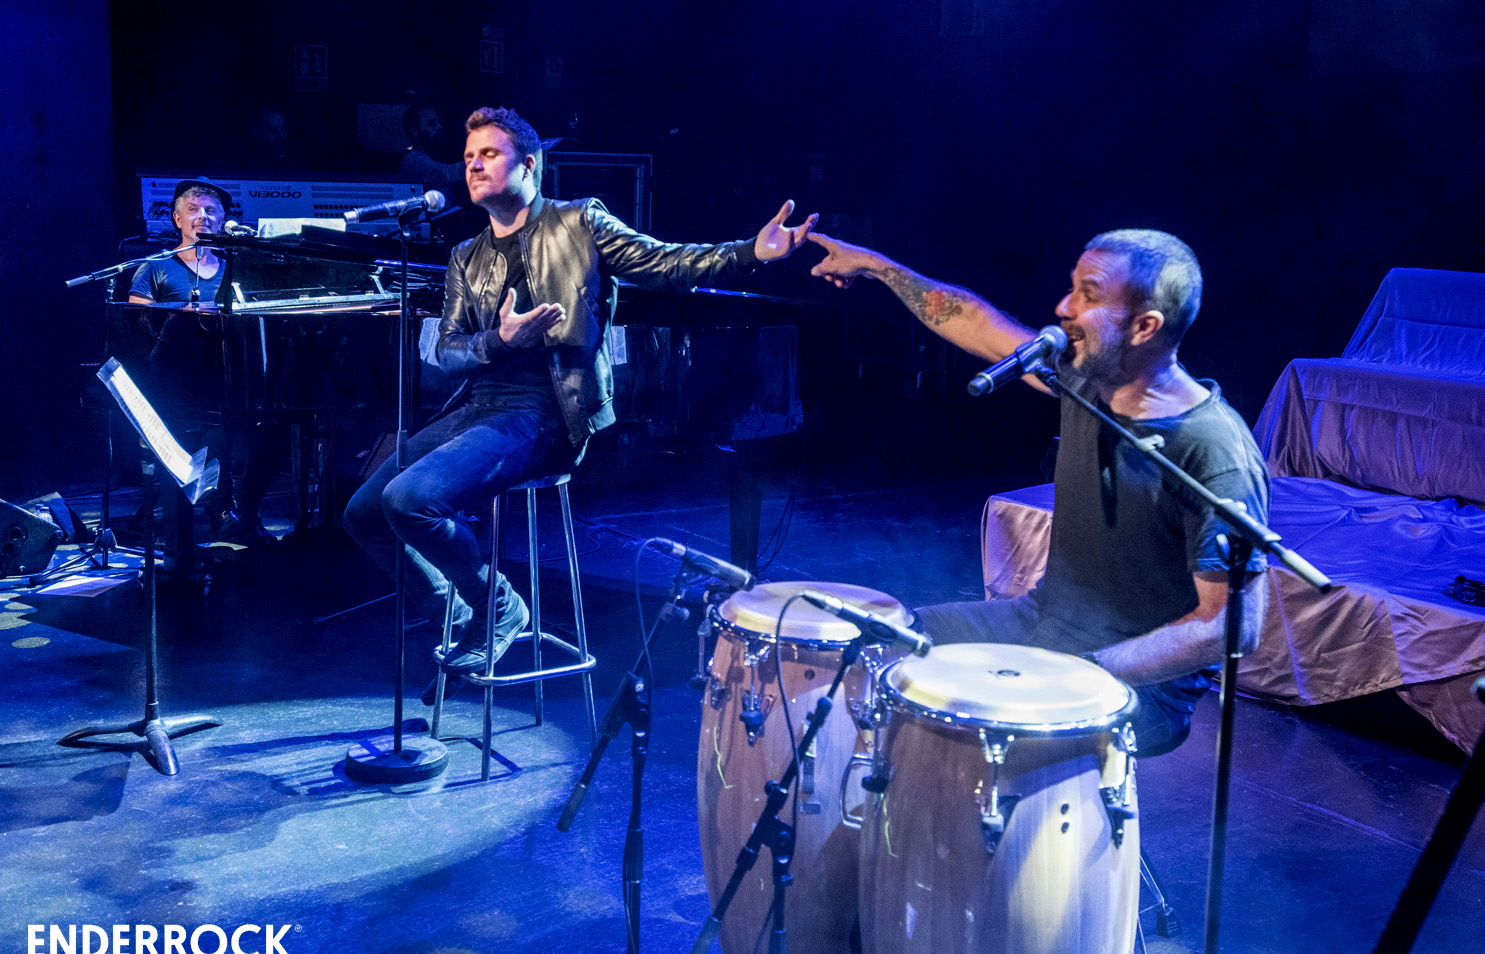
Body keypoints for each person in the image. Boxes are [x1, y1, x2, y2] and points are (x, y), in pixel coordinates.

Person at [344, 105, 818, 698]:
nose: (473, 166)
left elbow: (666, 263)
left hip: (549, 410)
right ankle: (458, 613)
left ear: (530, 164)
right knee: (364, 513)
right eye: (467, 158)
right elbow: (448, 349)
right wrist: (500, 340)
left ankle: (497, 606)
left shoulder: (579, 221)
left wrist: (750, 251)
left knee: (409, 499)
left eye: (488, 154)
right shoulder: (466, 255)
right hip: (477, 406)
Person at [807, 228, 1268, 755]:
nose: (1063, 307)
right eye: (1072, 288)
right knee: (885, 646)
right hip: (1042, 621)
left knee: (977, 729)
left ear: (1145, 326)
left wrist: (1082, 672)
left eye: (1088, 296)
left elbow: (1231, 625)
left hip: (1141, 683)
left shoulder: (1215, 451)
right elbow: (976, 322)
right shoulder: (1088, 376)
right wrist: (876, 265)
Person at [128, 179, 279, 546]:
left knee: (274, 425)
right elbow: (134, 324)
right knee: (214, 424)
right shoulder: (156, 267)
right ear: (177, 219)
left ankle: (244, 510)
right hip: (173, 381)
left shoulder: (234, 268)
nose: (203, 217)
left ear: (223, 220)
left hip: (229, 377)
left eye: (211, 211)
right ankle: (219, 511)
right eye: (193, 210)